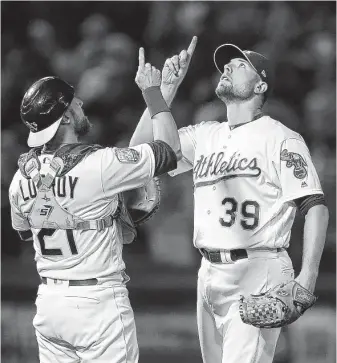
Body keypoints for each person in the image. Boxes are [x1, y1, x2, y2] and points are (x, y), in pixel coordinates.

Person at [130, 37, 329, 363]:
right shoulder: (206, 134)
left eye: (240, 65)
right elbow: (137, 157)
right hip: (208, 271)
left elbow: (315, 208)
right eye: (226, 65)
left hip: (257, 268)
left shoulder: (280, 137)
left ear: (260, 85)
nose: (228, 68)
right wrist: (161, 92)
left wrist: (306, 277)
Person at [8, 47, 181, 363]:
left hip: (49, 306)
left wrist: (164, 90)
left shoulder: (20, 179)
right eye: (74, 102)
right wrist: (154, 93)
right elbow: (169, 150)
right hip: (96, 305)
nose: (82, 103)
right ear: (66, 118)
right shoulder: (98, 166)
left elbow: (25, 231)